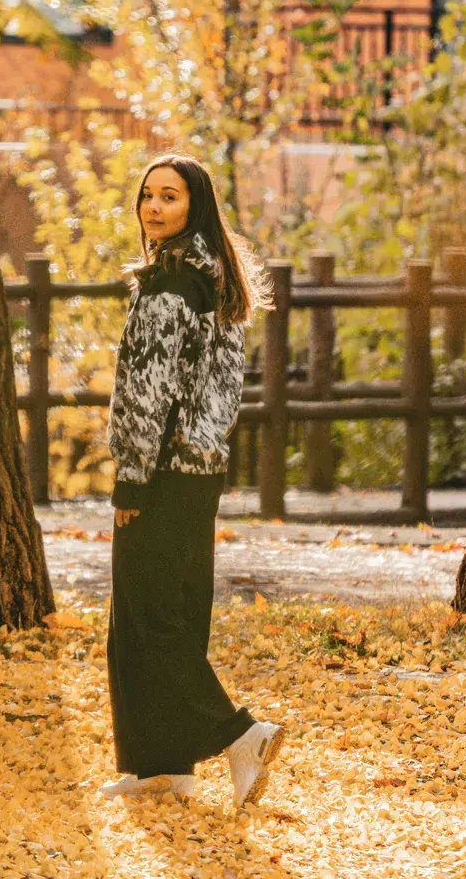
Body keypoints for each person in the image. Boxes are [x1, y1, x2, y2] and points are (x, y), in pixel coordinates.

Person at [99, 153, 284, 807]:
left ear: (194, 207)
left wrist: (132, 480)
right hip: (199, 472)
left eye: (170, 196)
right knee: (174, 614)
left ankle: (240, 735)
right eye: (147, 195)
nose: (154, 207)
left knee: (143, 622)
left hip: (160, 472)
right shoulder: (214, 281)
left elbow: (149, 393)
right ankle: (162, 765)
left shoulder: (171, 285)